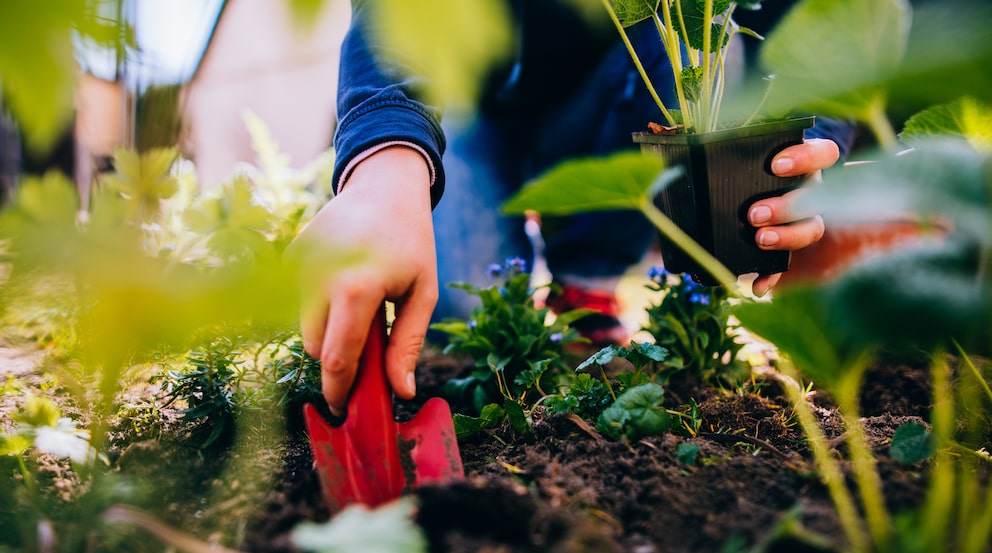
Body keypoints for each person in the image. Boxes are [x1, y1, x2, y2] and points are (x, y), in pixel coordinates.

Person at [290, 0, 854, 416]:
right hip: (458, 103)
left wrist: (810, 143)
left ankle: (586, 281)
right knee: (462, 319)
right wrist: (385, 168)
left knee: (694, 29)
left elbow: (815, 20)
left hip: (610, 96)